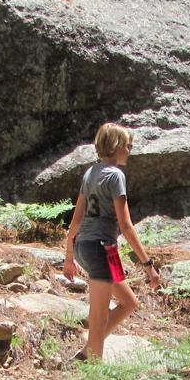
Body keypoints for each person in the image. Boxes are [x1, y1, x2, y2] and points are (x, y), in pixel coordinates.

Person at [63, 123, 161, 361]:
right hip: (101, 249)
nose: (129, 150)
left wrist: (69, 255)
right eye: (128, 145)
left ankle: (87, 352)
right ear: (116, 146)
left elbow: (76, 219)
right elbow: (126, 225)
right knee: (99, 315)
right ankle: (92, 369)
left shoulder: (90, 173)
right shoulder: (116, 176)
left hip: (85, 247)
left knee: (129, 302)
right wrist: (148, 265)